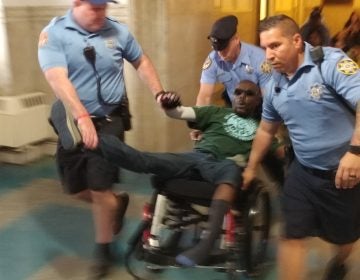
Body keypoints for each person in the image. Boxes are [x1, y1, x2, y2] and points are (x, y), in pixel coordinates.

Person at [50, 80, 283, 268]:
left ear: (258, 99)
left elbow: (279, 152)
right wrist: (171, 104)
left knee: (232, 172)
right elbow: (179, 112)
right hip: (196, 158)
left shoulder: (263, 127)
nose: (242, 97)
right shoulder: (216, 113)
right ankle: (86, 139)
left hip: (226, 165)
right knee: (147, 159)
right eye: (238, 92)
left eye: (249, 94)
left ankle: (207, 241)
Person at [37, 0, 166, 278]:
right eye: (94, 7)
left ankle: (103, 250)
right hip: (73, 121)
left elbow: (140, 60)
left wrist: (158, 92)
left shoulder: (118, 31)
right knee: (74, 189)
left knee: (98, 187)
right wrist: (82, 117)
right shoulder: (55, 33)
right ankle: (116, 203)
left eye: (104, 7)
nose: (101, 13)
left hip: (110, 120)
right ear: (77, 3)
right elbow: (57, 77)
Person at [242, 14, 360, 280]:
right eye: (264, 48)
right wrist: (250, 168)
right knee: (291, 235)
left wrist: (355, 153)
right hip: (302, 171)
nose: (269, 55)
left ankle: (340, 262)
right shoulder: (274, 86)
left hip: (343, 175)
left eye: (275, 46)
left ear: (296, 41)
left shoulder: (330, 63)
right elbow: (265, 130)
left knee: (344, 237)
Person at [196, 15, 272, 107]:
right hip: (233, 105)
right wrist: (198, 119)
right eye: (218, 50)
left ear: (236, 39)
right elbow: (204, 97)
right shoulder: (213, 59)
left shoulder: (260, 59)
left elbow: (268, 99)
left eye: (225, 49)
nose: (220, 55)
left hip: (258, 107)